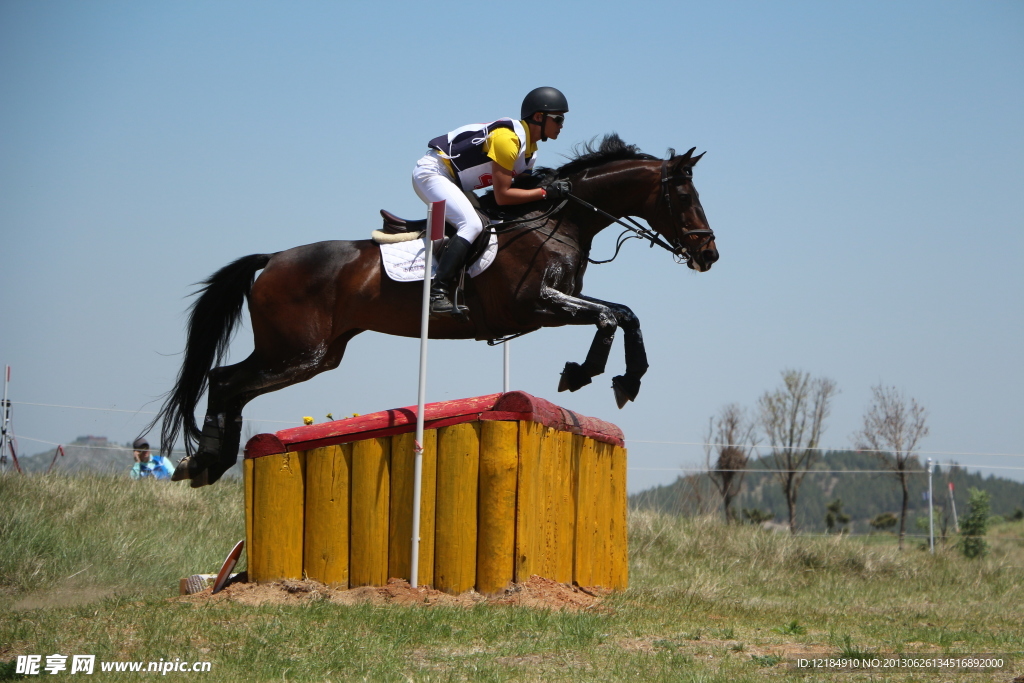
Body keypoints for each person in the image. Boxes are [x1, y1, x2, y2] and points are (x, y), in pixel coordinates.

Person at [413, 86, 572, 316]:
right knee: (473, 224)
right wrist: (546, 192)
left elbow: (521, 192)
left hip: (455, 182)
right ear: (539, 117)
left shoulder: (531, 151)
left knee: (491, 221)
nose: (562, 125)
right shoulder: (508, 140)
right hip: (433, 173)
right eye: (558, 119)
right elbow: (504, 195)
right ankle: (437, 293)